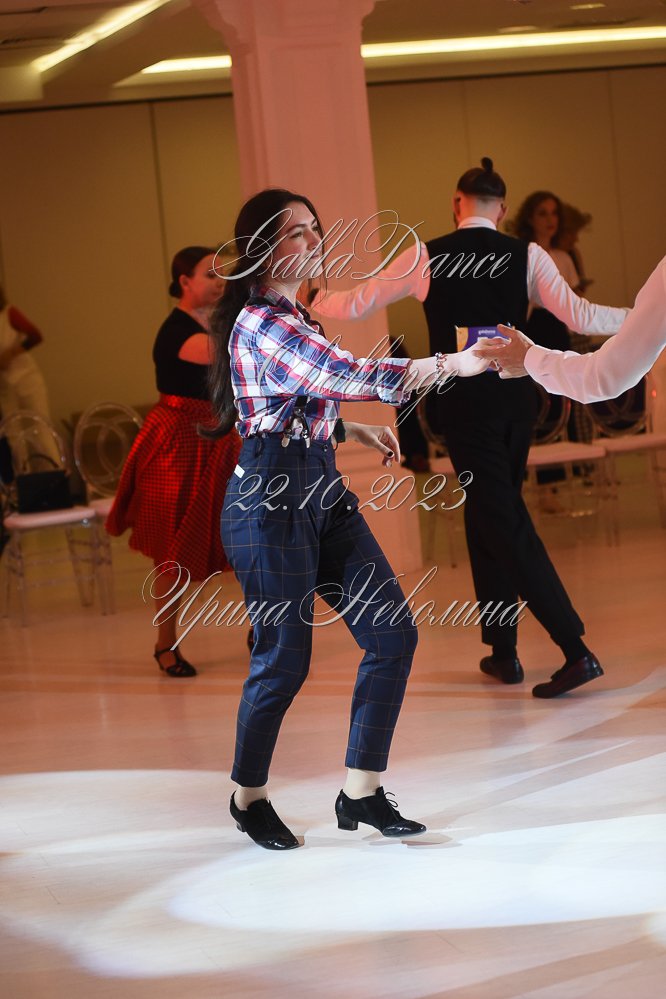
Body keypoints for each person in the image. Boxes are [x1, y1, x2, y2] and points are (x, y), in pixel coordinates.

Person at [206, 187, 486, 850]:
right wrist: (452, 362)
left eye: (314, 229)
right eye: (295, 232)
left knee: (392, 634)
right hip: (268, 503)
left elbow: (301, 395)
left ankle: (360, 791)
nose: (313, 241)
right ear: (262, 248)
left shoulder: (294, 316)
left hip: (319, 491)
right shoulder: (260, 322)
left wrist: (347, 430)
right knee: (283, 661)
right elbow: (342, 373)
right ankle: (248, 798)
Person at [313, 158, 629, 699]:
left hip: (463, 407)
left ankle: (574, 649)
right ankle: (502, 650)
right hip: (517, 404)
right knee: (489, 514)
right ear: (502, 209)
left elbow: (359, 300)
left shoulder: (425, 253)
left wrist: (313, 300)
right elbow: (580, 316)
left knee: (500, 517)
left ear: (457, 203)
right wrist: (642, 317)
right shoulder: (528, 254)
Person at [106, 247, 242, 678]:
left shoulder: (214, 322)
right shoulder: (175, 332)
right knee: (173, 549)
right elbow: (223, 352)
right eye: (210, 274)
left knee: (245, 536)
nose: (220, 281)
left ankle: (263, 629)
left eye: (223, 274)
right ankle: (165, 644)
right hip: (177, 444)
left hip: (218, 438)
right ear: (184, 281)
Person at [473, 255, 666, 402]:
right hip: (538, 330)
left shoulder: (534, 255)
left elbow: (605, 374)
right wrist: (639, 321)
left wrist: (529, 357)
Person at [508, 191, 592, 504]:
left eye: (554, 213)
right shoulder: (522, 254)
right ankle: (544, 485)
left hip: (558, 332)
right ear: (530, 218)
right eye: (543, 213)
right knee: (537, 404)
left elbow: (572, 303)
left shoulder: (564, 257)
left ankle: (566, 476)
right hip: (532, 330)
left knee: (562, 401)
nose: (550, 220)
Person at [0, 284, 60, 465]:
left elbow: (35, 336)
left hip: (25, 377)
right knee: (13, 434)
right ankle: (23, 475)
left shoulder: (8, 314)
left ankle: (54, 472)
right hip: (4, 385)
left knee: (41, 428)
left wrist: (11, 353)